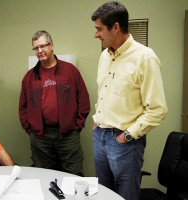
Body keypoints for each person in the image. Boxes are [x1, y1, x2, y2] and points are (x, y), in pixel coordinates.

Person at [91, 2, 168, 200]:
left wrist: (127, 135)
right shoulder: (104, 56)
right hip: (100, 136)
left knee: (126, 196)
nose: (95, 35)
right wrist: (97, 118)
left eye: (99, 29)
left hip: (124, 143)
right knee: (103, 194)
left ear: (115, 27)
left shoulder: (145, 58)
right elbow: (105, 93)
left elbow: (158, 109)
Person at [19, 30, 90, 176]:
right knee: (45, 177)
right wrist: (30, 129)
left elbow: (83, 100)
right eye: (36, 48)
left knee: (74, 175)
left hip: (68, 134)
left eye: (43, 46)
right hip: (40, 137)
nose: (40, 51)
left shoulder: (70, 71)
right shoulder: (29, 77)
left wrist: (77, 126)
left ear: (52, 45)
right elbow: (23, 106)